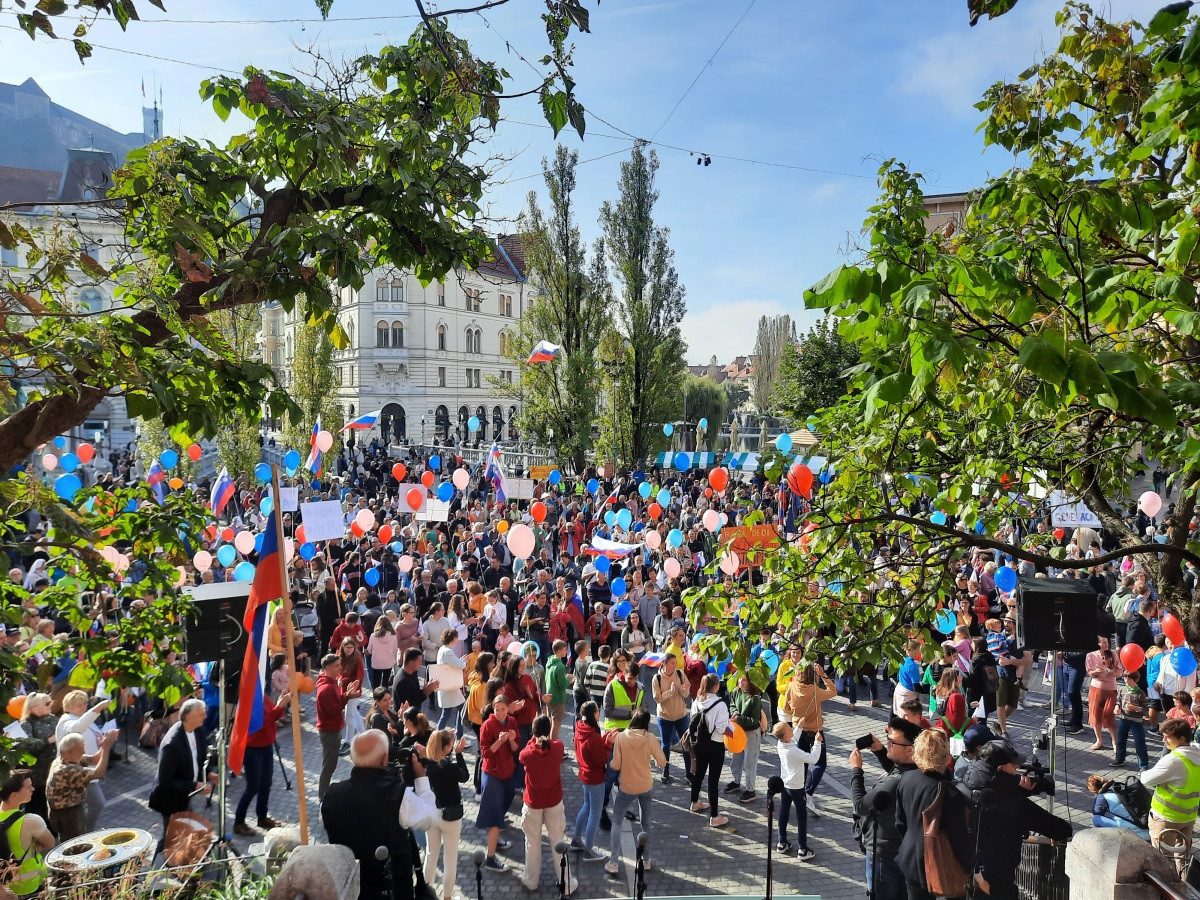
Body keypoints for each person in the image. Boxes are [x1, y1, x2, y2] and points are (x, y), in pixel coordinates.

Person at [321, 730, 438, 900]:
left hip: (349, 888)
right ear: (384, 759)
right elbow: (429, 819)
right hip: (392, 890)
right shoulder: (399, 797)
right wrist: (421, 778)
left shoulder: (331, 795)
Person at [971, 741, 1073, 898]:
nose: (1018, 768)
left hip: (971, 866)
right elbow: (1060, 828)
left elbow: (994, 783)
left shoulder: (969, 778)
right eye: (1014, 765)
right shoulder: (1011, 802)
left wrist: (1014, 786)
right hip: (998, 874)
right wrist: (1018, 792)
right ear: (1000, 768)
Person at [894, 730, 974, 900]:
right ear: (945, 755)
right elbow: (958, 838)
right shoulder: (950, 793)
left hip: (911, 857)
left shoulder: (906, 778)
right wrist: (972, 868)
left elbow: (900, 822)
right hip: (939, 861)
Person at [849, 717, 922, 900]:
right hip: (906, 852)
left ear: (910, 749)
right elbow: (900, 769)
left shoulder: (892, 783)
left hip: (884, 855)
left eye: (893, 742)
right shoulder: (920, 770)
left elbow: (860, 806)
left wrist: (856, 770)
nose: (888, 743)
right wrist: (881, 751)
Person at [519, 714, 575, 893]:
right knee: (558, 841)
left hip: (533, 803)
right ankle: (566, 882)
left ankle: (531, 880)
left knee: (532, 843)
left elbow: (526, 751)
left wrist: (532, 740)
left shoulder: (526, 754)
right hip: (554, 802)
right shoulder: (558, 748)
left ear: (533, 732)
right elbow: (552, 743)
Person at [605, 708, 664, 877]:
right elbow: (661, 761)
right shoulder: (650, 738)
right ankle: (646, 860)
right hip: (646, 786)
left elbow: (615, 764)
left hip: (627, 787)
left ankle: (614, 862)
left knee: (616, 822)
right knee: (646, 822)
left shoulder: (622, 738)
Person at [147, 699, 214, 847]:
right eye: (201, 714)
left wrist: (209, 773)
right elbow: (166, 781)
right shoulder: (172, 744)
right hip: (170, 799)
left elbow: (200, 757)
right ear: (189, 717)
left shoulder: (197, 730)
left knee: (178, 835)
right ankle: (161, 865)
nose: (205, 717)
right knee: (171, 838)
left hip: (184, 796)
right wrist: (194, 785)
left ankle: (173, 863)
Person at [1140, 717, 1200, 875]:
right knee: (1184, 856)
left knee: (1162, 859)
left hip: (1166, 818)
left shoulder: (1174, 761)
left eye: (1168, 737)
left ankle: (1167, 890)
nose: (1164, 740)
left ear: (1182, 739)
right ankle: (1185, 886)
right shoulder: (1197, 755)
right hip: (1188, 816)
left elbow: (1146, 779)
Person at [781, 662, 837, 817]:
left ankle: (800, 793)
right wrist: (823, 675)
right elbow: (833, 691)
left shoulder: (791, 686)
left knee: (802, 763)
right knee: (820, 764)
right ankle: (808, 792)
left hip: (798, 730)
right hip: (816, 731)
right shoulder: (814, 690)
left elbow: (786, 708)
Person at [423, 728, 470, 900]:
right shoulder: (449, 767)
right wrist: (459, 754)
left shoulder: (427, 765)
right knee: (450, 858)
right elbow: (464, 776)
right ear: (446, 747)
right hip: (450, 816)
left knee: (431, 854)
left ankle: (425, 893)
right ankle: (447, 897)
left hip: (431, 814)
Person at [233, 691, 288, 836]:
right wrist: (279, 707)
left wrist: (279, 705)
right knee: (253, 787)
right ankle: (239, 822)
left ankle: (262, 817)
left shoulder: (261, 696)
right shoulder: (248, 700)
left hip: (266, 746)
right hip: (253, 749)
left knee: (266, 784)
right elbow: (260, 723)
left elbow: (274, 715)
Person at [54, 691, 110, 831]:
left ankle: (84, 830)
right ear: (69, 707)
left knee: (86, 804)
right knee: (98, 802)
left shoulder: (81, 717)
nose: (84, 707)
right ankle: (86, 831)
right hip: (74, 771)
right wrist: (97, 708)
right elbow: (77, 727)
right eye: (79, 705)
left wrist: (103, 741)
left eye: (85, 703)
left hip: (85, 765)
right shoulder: (66, 721)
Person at [476, 693, 519, 871]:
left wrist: (511, 740)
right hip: (492, 773)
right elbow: (485, 753)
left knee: (505, 803)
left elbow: (516, 748)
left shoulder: (512, 722)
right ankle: (490, 858)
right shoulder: (487, 726)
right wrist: (499, 742)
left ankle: (495, 841)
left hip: (507, 771)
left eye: (503, 709)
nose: (500, 713)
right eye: (497, 709)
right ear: (492, 709)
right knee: (494, 815)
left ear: (508, 708)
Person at [774, 721, 822, 862]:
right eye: (790, 728)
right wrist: (817, 743)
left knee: (784, 813)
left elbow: (792, 738)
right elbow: (813, 759)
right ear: (786, 735)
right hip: (797, 788)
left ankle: (782, 842)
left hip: (785, 785)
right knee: (802, 817)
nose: (792, 729)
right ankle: (802, 849)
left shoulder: (781, 744)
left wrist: (799, 727)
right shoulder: (793, 751)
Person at [0, 772, 54, 896]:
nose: (33, 789)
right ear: (14, 795)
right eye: (28, 787)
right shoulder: (30, 821)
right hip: (33, 884)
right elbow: (50, 842)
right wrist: (35, 848)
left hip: (7, 889)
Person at [316, 653, 361, 800]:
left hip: (333, 729)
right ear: (327, 667)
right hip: (329, 732)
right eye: (336, 666)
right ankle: (322, 797)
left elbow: (335, 704)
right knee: (328, 767)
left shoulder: (332, 682)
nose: (340, 668)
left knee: (330, 765)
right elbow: (334, 711)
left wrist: (346, 694)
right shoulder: (327, 688)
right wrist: (347, 697)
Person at [689, 673, 731, 828]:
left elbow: (692, 719)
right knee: (713, 781)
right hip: (715, 745)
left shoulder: (697, 701)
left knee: (698, 774)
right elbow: (721, 728)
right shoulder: (720, 704)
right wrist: (731, 731)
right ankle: (714, 816)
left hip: (700, 743)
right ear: (716, 686)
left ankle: (694, 802)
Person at [569, 701, 609, 862]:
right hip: (595, 778)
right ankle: (589, 850)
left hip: (584, 775)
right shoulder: (592, 736)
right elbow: (600, 760)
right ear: (594, 714)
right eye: (598, 711)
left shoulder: (580, 727)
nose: (599, 712)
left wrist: (604, 740)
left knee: (586, 807)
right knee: (595, 813)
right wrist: (608, 744)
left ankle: (577, 839)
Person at [727, 673, 767, 802]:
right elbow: (732, 704)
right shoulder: (736, 691)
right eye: (739, 679)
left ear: (750, 682)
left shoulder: (755, 699)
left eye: (743, 680)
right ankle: (736, 781)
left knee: (750, 762)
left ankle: (751, 790)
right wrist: (734, 712)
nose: (740, 682)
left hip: (751, 733)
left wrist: (739, 718)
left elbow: (754, 720)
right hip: (738, 731)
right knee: (736, 758)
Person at [652, 653, 690, 784]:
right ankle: (665, 770)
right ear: (665, 664)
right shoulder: (657, 678)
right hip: (665, 716)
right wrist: (670, 692)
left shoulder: (680, 674)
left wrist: (683, 690)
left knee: (686, 744)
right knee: (665, 745)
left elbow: (686, 692)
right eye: (672, 663)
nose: (675, 665)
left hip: (681, 715)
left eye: (675, 663)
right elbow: (657, 698)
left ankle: (689, 773)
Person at [1086, 635, 1121, 751]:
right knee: (1095, 715)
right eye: (1103, 642)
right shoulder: (1090, 655)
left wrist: (1112, 672)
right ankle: (1099, 740)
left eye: (1107, 642)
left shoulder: (1113, 655)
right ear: (1098, 644)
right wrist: (1095, 671)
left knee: (1110, 716)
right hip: (1096, 688)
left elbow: (1120, 671)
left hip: (1111, 689)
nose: (1106, 644)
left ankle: (1115, 742)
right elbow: (1089, 671)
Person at [1114, 670, 1151, 770]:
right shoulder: (1122, 689)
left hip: (1136, 721)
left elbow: (1145, 710)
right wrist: (1117, 707)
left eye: (1129, 679)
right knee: (1120, 740)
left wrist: (1136, 708)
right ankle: (1119, 758)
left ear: (1136, 680)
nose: (1126, 681)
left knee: (1139, 742)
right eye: (1125, 678)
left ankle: (1143, 764)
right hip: (1123, 718)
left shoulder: (1140, 693)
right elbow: (1118, 700)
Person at [434, 629, 466, 735]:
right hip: (450, 687)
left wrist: (460, 661)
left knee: (446, 713)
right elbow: (461, 665)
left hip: (446, 685)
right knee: (461, 710)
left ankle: (438, 736)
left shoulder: (443, 649)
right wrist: (464, 661)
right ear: (453, 639)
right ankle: (458, 736)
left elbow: (454, 663)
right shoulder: (448, 651)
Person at [544, 639, 570, 742]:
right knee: (556, 724)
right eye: (565, 649)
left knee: (550, 721)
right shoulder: (560, 666)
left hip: (549, 696)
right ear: (559, 651)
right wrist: (568, 678)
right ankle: (553, 746)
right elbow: (562, 685)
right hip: (558, 698)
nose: (566, 651)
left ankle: (548, 743)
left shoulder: (549, 661)